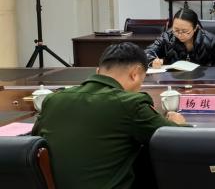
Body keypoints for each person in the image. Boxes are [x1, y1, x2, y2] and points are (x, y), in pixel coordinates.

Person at [32, 42, 186, 189]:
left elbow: (34, 142)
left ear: (98, 71)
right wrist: (180, 124)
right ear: (135, 74)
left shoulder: (53, 100)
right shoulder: (130, 104)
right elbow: (179, 141)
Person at [145, 7, 215, 67]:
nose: (180, 34)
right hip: (175, 80)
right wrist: (153, 61)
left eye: (185, 31)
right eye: (176, 29)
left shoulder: (211, 40)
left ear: (195, 28)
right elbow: (147, 53)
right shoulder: (167, 37)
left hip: (204, 82)